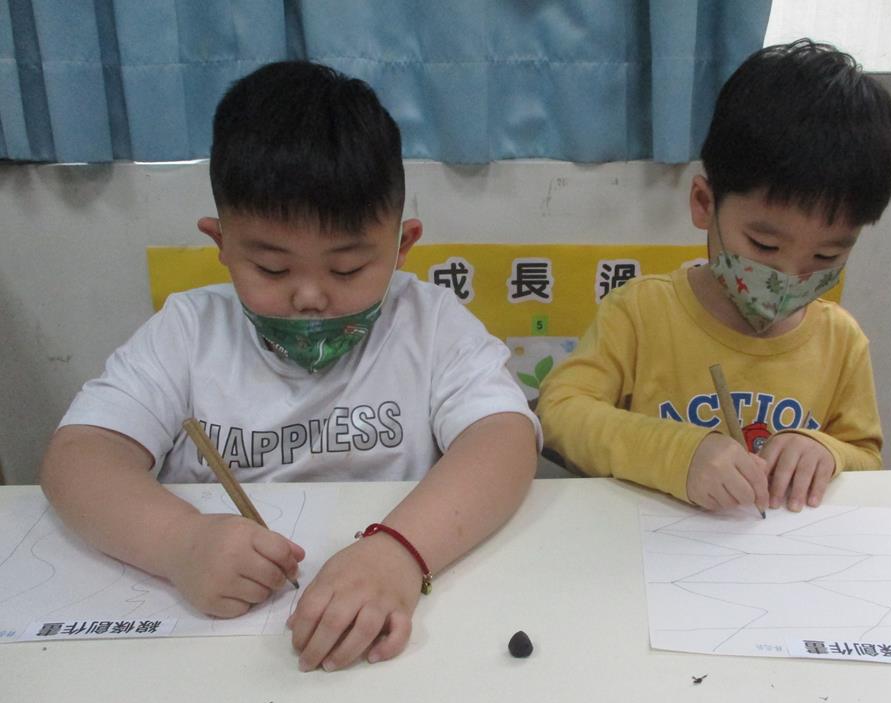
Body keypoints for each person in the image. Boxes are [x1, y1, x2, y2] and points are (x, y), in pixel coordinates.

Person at [40, 61, 539, 672]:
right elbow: (78, 458)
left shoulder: (430, 323)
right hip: (212, 650)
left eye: (348, 268)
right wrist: (178, 542)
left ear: (402, 245)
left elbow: (505, 439)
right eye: (272, 269)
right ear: (221, 244)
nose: (309, 297)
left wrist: (400, 553)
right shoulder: (188, 331)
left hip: (386, 628)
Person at [537, 40, 891, 515]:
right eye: (764, 246)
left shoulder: (841, 342)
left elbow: (865, 455)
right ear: (704, 204)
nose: (788, 277)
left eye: (825, 255)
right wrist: (675, 454)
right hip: (652, 545)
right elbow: (559, 412)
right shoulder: (642, 313)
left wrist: (827, 452)